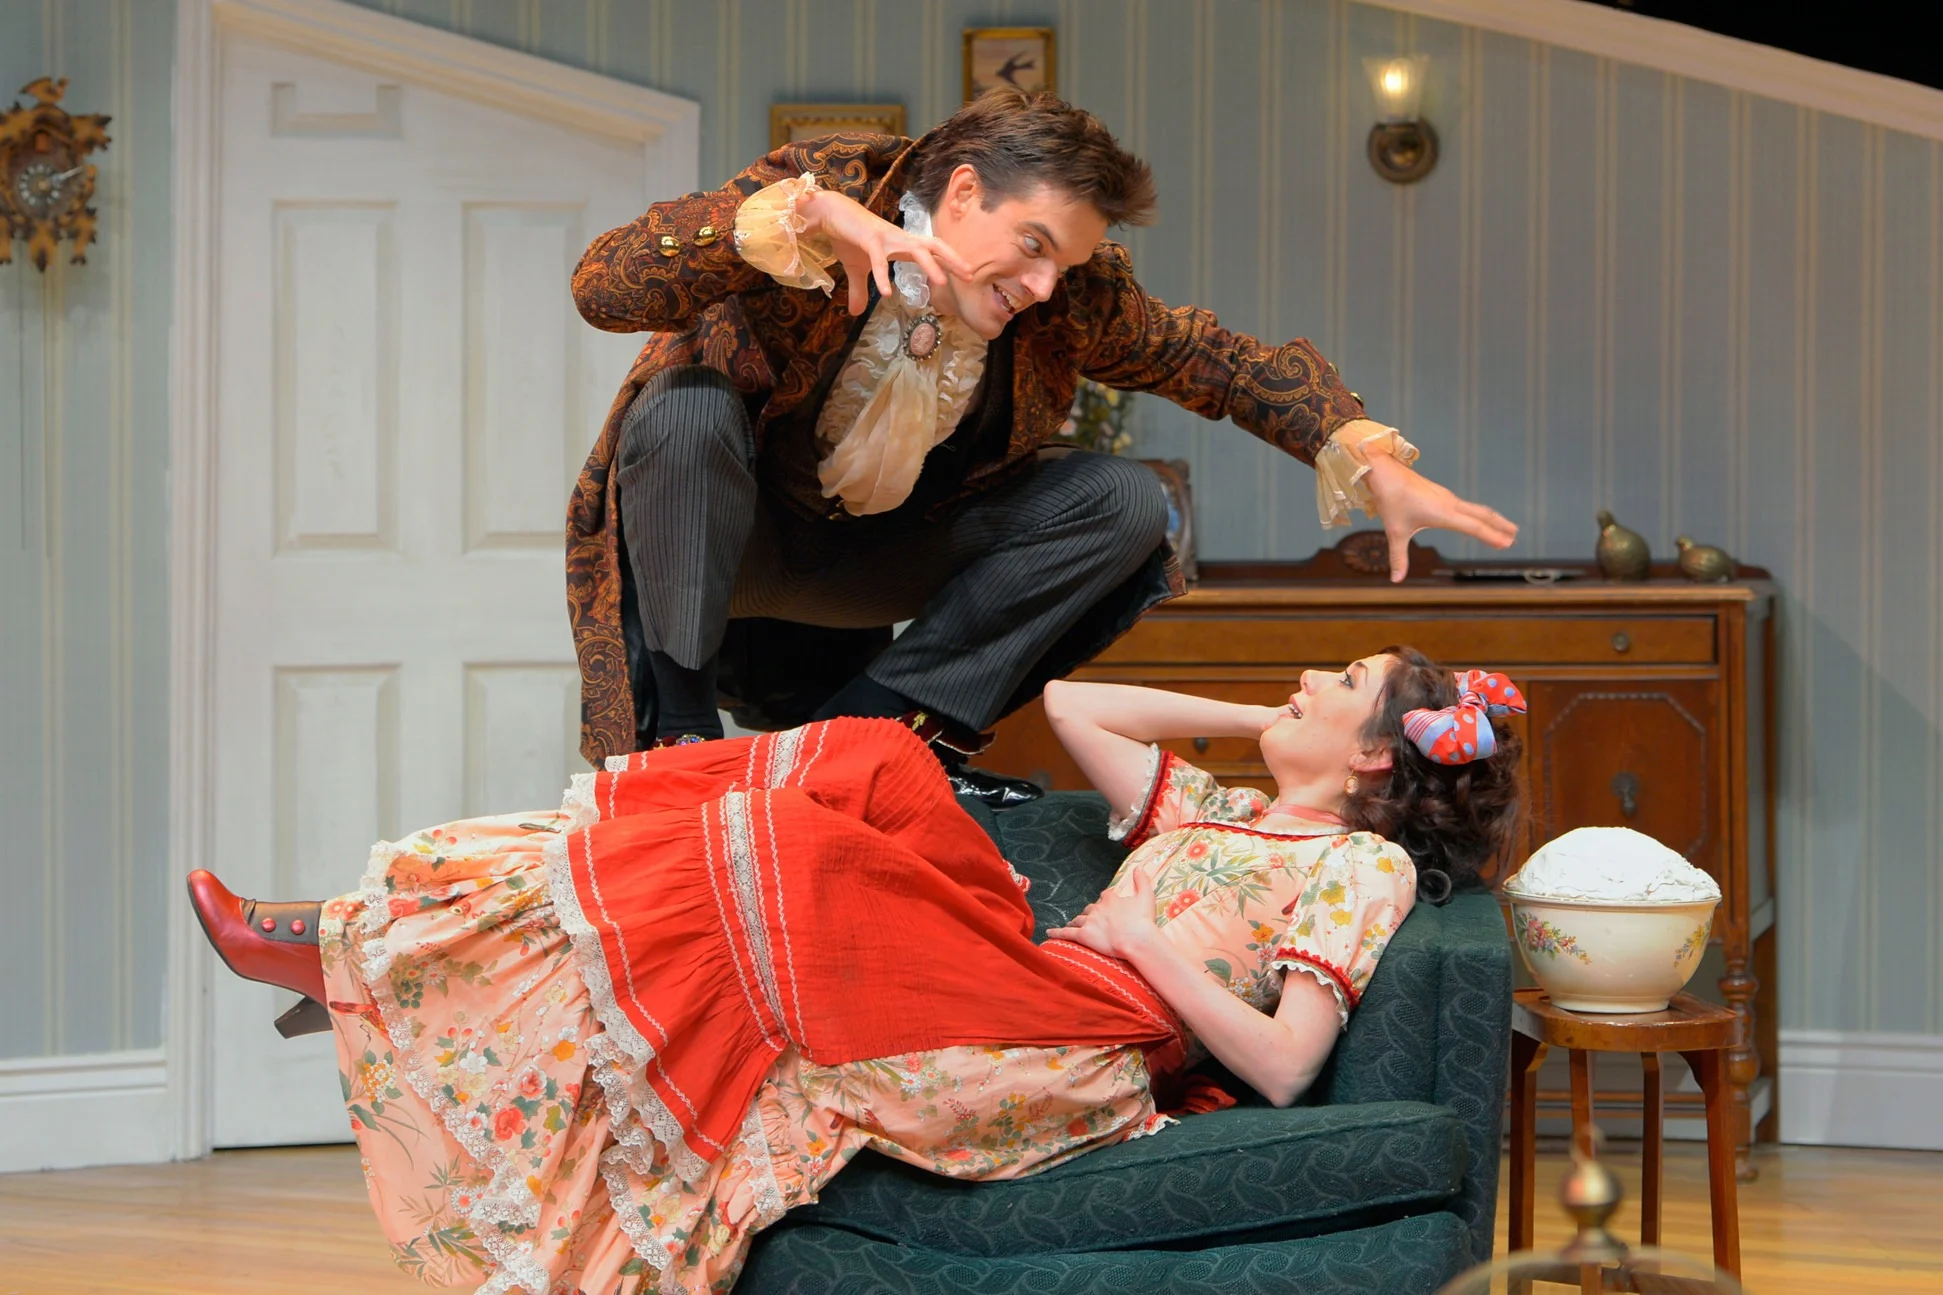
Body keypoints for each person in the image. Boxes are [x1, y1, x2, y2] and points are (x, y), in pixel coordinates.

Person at [188, 648, 1523, 1293]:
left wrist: (1145, 940)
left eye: (1337, 679)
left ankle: (363, 948)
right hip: (1030, 969)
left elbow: (1283, 1064)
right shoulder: (1214, 810)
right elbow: (1073, 703)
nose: (1305, 673)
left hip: (1085, 1035)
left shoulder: (1360, 867)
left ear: (1374, 757)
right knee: (878, 757)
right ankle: (406, 943)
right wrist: (1269, 723)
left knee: (797, 848)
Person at [566, 88, 1518, 804]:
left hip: (872, 564)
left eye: (1063, 262)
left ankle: (862, 746)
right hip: (729, 550)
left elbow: (1216, 361)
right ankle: (679, 743)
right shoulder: (830, 192)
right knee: (681, 405)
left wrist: (1365, 455)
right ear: (964, 190)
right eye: (1032, 246)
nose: (1043, 285)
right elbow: (601, 284)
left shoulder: (1068, 302)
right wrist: (800, 219)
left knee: (1122, 502)